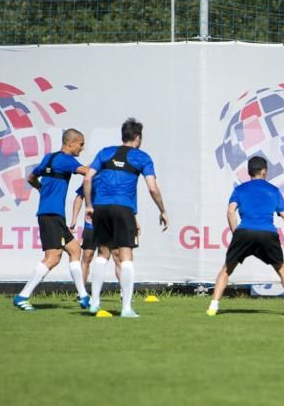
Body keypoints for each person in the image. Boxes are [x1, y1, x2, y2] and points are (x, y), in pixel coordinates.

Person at [84, 118, 168, 318]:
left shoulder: (105, 152)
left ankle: (94, 302)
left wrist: (89, 205)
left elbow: (88, 177)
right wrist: (162, 210)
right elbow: (152, 188)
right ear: (138, 137)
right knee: (126, 255)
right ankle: (126, 308)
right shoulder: (142, 157)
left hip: (101, 207)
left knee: (102, 253)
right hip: (123, 208)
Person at [13, 129, 93, 311]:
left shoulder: (48, 158)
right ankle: (22, 296)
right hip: (52, 216)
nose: (82, 147)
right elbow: (87, 172)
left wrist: (41, 189)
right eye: (81, 144)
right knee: (53, 257)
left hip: (49, 214)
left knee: (74, 249)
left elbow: (31, 177)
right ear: (71, 143)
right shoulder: (67, 160)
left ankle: (83, 296)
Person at [207, 156, 284, 316]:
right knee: (281, 269)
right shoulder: (273, 190)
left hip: (244, 232)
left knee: (227, 269)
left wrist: (236, 233)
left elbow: (230, 211)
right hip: (267, 233)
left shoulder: (240, 189)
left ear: (249, 172)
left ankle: (213, 306)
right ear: (264, 171)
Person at [71, 185, 126, 286]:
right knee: (87, 256)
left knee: (117, 256)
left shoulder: (114, 178)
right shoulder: (91, 178)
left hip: (110, 225)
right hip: (91, 225)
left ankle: (124, 292)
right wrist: (74, 219)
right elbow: (79, 197)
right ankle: (82, 292)